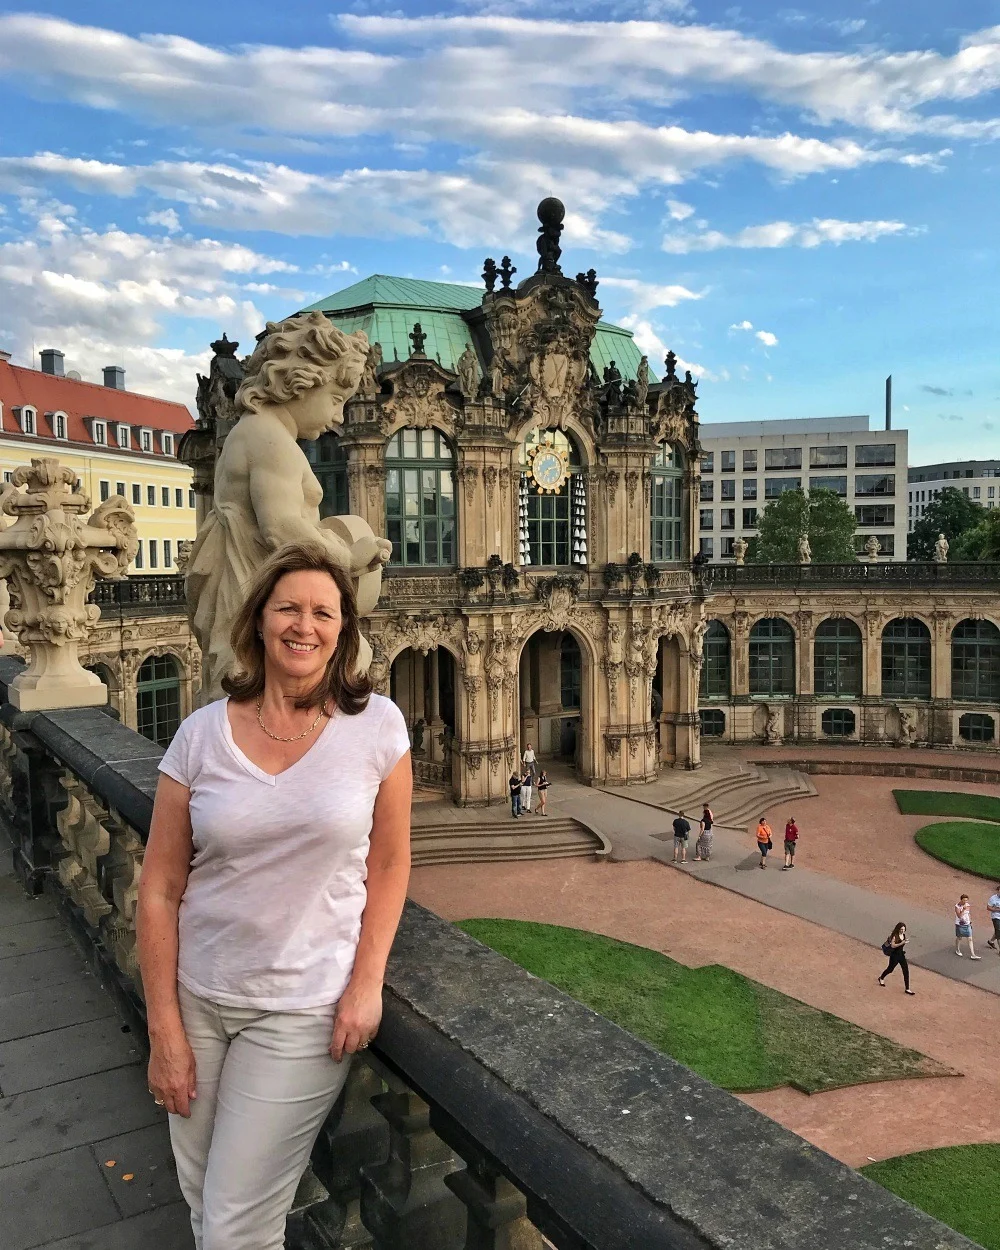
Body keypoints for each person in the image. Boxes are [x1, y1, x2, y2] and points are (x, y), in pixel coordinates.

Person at [136, 541, 412, 1250]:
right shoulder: (199, 736)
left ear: (343, 630)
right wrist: (164, 1029)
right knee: (205, 1203)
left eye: (324, 612)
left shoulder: (378, 727)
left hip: (299, 1010)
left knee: (234, 1227)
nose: (305, 624)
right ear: (258, 620)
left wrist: (367, 984)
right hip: (199, 995)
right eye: (288, 607)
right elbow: (161, 888)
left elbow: (389, 865)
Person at [878, 922, 915, 994]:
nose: (903, 931)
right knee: (890, 969)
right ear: (898, 929)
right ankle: (881, 978)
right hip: (894, 956)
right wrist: (902, 942)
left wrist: (904, 943)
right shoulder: (895, 936)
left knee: (906, 970)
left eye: (904, 929)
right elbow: (893, 946)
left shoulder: (903, 935)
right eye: (901, 929)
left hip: (901, 955)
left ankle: (907, 988)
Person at [954, 894, 982, 959]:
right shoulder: (957, 906)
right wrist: (963, 909)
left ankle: (973, 954)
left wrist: (970, 920)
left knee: (970, 938)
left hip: (967, 924)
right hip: (960, 924)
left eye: (966, 900)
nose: (965, 902)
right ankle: (957, 950)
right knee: (959, 937)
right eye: (964, 900)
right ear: (961, 899)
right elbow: (959, 916)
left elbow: (968, 913)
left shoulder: (968, 905)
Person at [986, 884, 1000, 952]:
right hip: (996, 917)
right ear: (998, 890)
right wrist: (997, 910)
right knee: (999, 932)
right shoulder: (993, 898)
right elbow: (988, 907)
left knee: (998, 931)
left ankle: (991, 941)